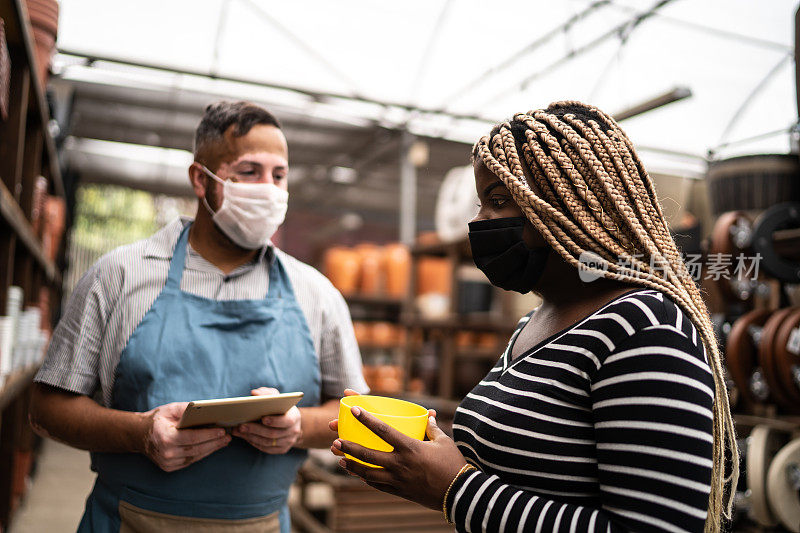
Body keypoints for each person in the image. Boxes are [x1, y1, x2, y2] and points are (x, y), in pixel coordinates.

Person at [331, 101, 737, 533]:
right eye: (483, 201)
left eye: (499, 200)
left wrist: (455, 489)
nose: (479, 220)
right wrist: (427, 453)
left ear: (573, 204)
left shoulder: (645, 330)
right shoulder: (537, 322)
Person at [29, 100, 368, 533]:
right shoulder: (120, 274)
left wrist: (299, 428)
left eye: (278, 175)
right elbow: (47, 407)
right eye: (249, 172)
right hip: (128, 522)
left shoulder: (316, 294)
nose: (268, 189)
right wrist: (140, 433)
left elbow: (355, 413)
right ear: (199, 179)